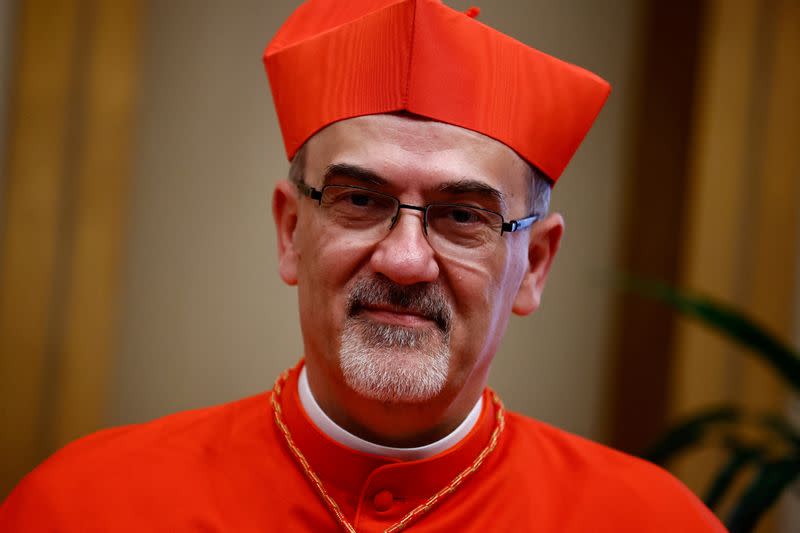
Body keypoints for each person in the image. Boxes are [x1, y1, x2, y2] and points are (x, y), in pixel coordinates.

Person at [1, 1, 726, 531]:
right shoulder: (83, 505)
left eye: (462, 215)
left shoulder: (653, 521)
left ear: (533, 263)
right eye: (359, 198)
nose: (407, 260)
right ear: (291, 230)